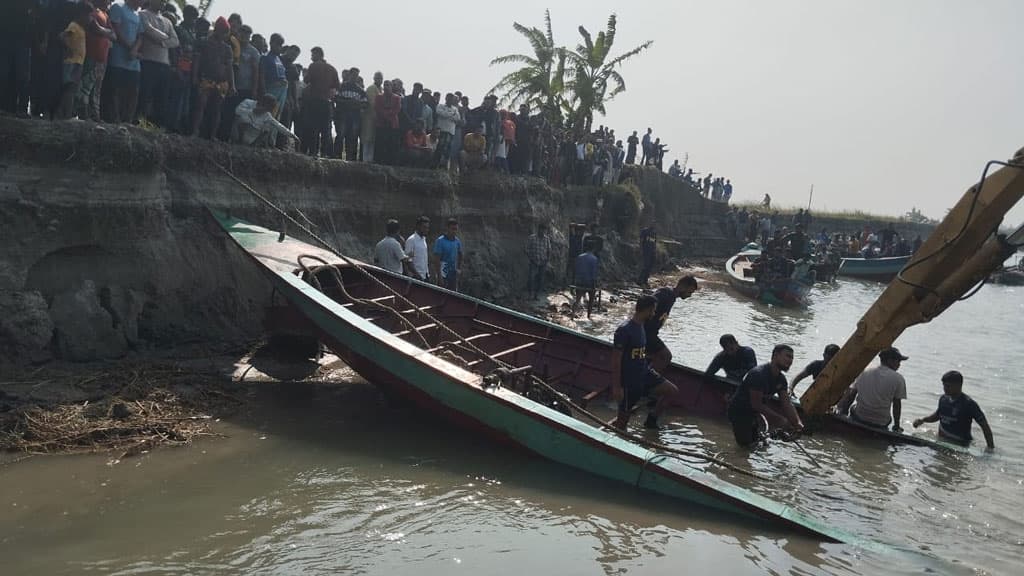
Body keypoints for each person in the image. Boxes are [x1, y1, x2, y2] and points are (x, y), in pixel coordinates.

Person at [611, 295, 680, 431]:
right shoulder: (624, 330)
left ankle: (651, 420)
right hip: (629, 380)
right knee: (622, 421)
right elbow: (616, 360)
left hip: (644, 372)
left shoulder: (642, 326)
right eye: (653, 310)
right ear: (647, 310)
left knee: (672, 391)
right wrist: (617, 387)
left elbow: (640, 351)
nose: (654, 314)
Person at [728, 344, 803, 446]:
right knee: (745, 447)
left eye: (792, 358)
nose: (790, 361)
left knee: (756, 445)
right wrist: (780, 420)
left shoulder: (781, 379)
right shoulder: (758, 374)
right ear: (776, 355)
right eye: (787, 356)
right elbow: (756, 404)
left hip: (754, 414)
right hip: (739, 412)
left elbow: (787, 403)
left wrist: (797, 423)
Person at [913, 371, 994, 450]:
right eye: (944, 385)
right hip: (941, 441)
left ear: (959, 385)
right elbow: (938, 415)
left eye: (948, 386)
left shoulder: (969, 404)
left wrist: (990, 448)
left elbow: (984, 426)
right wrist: (923, 420)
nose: (945, 389)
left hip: (959, 445)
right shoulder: (943, 399)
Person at [837, 347, 909, 432]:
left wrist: (843, 413)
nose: (899, 364)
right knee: (888, 418)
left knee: (853, 407)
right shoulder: (899, 378)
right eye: (898, 361)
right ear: (889, 360)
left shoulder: (865, 371)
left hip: (860, 417)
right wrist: (896, 426)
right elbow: (897, 405)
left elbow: (852, 394)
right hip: (881, 422)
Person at [644, 276, 699, 374]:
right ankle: (647, 379)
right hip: (647, 333)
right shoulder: (666, 294)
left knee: (654, 355)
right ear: (682, 286)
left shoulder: (671, 297)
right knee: (666, 356)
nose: (689, 296)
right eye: (689, 292)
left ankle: (646, 372)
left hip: (650, 334)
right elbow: (648, 304)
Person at [191, 17, 235, 138]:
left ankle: (212, 135)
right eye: (223, 31)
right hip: (206, 78)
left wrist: (232, 85)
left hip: (222, 82)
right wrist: (194, 76)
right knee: (201, 104)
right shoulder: (203, 42)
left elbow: (229, 68)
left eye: (226, 32)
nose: (225, 34)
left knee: (217, 109)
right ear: (217, 30)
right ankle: (195, 131)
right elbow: (197, 61)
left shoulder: (227, 48)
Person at [137, 0, 178, 126]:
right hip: (148, 61)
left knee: (161, 98)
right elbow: (148, 30)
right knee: (145, 94)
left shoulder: (168, 21)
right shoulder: (143, 14)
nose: (162, 3)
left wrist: (162, 42)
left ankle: (156, 126)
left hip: (164, 64)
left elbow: (175, 41)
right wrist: (166, 38)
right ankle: (139, 121)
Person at [76, 0, 116, 122]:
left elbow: (114, 35)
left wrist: (105, 31)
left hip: (102, 58)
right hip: (90, 55)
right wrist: (106, 32)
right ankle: (83, 114)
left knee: (96, 89)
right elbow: (93, 27)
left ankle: (95, 116)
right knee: (85, 87)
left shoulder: (105, 14)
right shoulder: (89, 9)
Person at [105, 0, 144, 124]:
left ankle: (127, 119)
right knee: (115, 89)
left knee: (133, 91)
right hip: (118, 57)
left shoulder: (138, 14)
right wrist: (129, 47)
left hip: (133, 60)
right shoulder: (118, 6)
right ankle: (114, 119)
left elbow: (141, 35)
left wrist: (135, 49)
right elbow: (115, 29)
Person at [303, 46, 339, 157]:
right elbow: (337, 85)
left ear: (318, 54)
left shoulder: (313, 66)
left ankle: (313, 151)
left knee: (313, 127)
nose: (311, 57)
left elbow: (306, 80)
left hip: (314, 101)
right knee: (326, 130)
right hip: (327, 102)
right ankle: (324, 153)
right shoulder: (332, 68)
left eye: (313, 55)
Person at [56, 4, 90, 120]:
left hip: (79, 62)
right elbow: (61, 36)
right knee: (69, 88)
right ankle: (66, 114)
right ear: (81, 14)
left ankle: (65, 113)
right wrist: (68, 48)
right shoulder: (73, 26)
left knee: (73, 89)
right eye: (88, 16)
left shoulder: (81, 28)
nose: (89, 19)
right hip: (72, 62)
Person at [231, 93, 297, 148]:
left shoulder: (267, 115)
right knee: (243, 118)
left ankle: (254, 146)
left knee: (268, 126)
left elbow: (278, 126)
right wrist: (252, 111)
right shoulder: (248, 102)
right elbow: (237, 111)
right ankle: (238, 142)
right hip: (238, 133)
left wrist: (292, 136)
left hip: (253, 138)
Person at [257, 33, 288, 119]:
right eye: (277, 44)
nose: (279, 47)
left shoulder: (279, 59)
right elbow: (261, 75)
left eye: (280, 45)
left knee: (276, 117)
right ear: (271, 43)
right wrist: (263, 93)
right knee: (267, 116)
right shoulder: (265, 57)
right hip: (271, 91)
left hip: (282, 92)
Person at [374, 80, 402, 165]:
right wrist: (385, 114)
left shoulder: (397, 98)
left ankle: (391, 163)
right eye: (385, 85)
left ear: (391, 87)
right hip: (381, 123)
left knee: (392, 144)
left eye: (388, 85)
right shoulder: (378, 97)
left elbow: (397, 109)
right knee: (380, 143)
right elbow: (377, 108)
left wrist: (388, 114)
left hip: (393, 124)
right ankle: (378, 161)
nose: (386, 87)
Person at [432, 218, 463, 291]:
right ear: (447, 228)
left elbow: (461, 254)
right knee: (441, 295)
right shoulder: (440, 241)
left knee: (453, 295)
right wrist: (439, 276)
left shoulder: (457, 241)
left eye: (456, 229)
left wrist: (459, 268)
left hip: (453, 273)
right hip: (443, 273)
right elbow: (436, 260)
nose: (454, 231)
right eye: (452, 229)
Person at [525, 223, 552, 300]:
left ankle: (536, 295)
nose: (543, 231)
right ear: (538, 229)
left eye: (544, 230)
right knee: (531, 278)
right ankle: (530, 294)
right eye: (541, 229)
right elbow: (526, 249)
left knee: (540, 279)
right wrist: (531, 258)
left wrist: (547, 260)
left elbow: (549, 250)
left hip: (543, 262)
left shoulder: (547, 239)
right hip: (534, 261)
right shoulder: (532, 238)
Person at [573, 247, 599, 318]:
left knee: (577, 299)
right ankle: (588, 316)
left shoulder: (579, 257)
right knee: (591, 299)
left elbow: (575, 269)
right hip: (589, 283)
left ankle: (572, 315)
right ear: (593, 249)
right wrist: (594, 285)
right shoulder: (594, 259)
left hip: (579, 281)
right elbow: (593, 273)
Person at [404, 216, 431, 282]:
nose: (426, 230)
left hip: (425, 276)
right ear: (418, 226)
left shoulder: (423, 240)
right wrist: (417, 275)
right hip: (415, 277)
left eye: (427, 228)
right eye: (424, 227)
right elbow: (408, 260)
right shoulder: (411, 240)